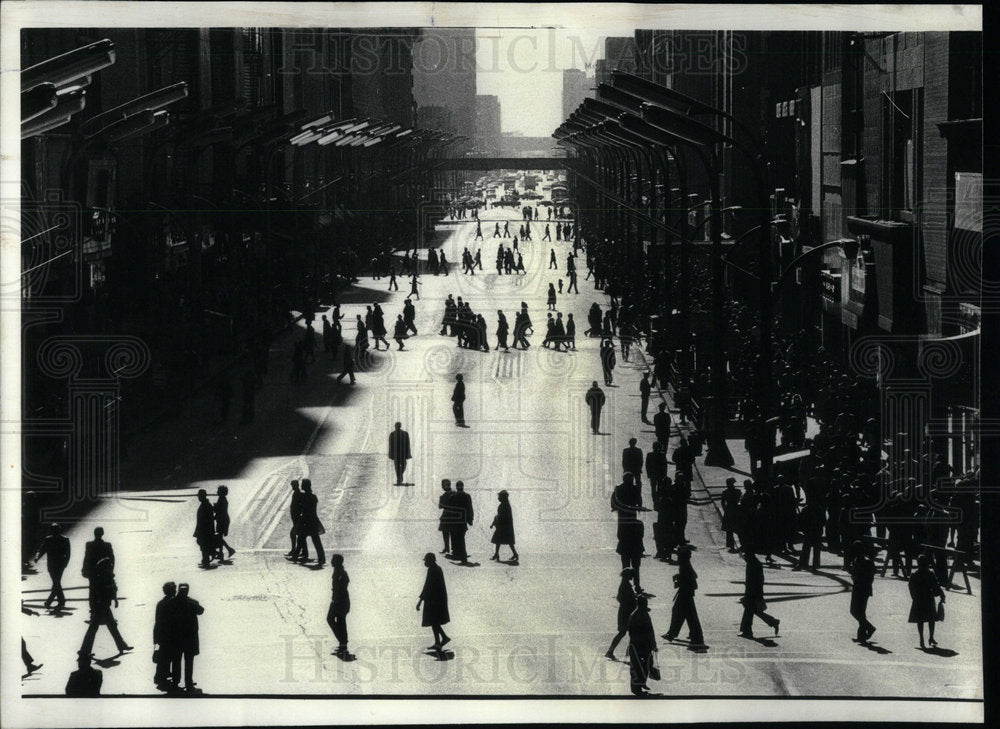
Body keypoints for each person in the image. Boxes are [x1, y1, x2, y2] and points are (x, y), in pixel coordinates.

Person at [80, 557, 132, 656]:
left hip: (103, 606)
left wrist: (115, 598)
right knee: (103, 627)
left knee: (105, 627)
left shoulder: (107, 576)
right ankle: (84, 651)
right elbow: (97, 593)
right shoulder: (99, 577)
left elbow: (113, 588)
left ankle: (85, 651)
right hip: (100, 606)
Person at [663, 547, 705, 647]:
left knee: (682, 613)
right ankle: (693, 636)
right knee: (688, 615)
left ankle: (674, 634)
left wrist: (677, 581)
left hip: (685, 594)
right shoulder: (685, 564)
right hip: (687, 594)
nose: (677, 558)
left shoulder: (684, 565)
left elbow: (690, 578)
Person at [612, 473, 647, 593]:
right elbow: (639, 501)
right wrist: (638, 507)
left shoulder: (619, 489)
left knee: (625, 563)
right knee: (636, 566)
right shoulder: (635, 489)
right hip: (631, 522)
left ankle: (625, 584)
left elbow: (613, 503)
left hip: (623, 523)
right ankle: (637, 585)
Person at [739, 550, 780, 638]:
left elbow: (757, 581)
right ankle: (772, 622)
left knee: (750, 610)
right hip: (752, 590)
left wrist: (757, 594)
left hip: (753, 591)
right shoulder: (754, 563)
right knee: (753, 610)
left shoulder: (753, 564)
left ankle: (746, 631)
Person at [172, 583, 204, 693]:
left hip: (176, 637)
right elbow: (201, 610)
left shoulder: (172, 603)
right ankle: (188, 683)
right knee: (189, 662)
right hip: (189, 637)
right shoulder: (192, 603)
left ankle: (175, 683)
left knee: (176, 661)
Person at [908, 554, 945, 649]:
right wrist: (941, 594)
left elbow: (911, 587)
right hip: (929, 598)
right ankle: (931, 637)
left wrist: (914, 597)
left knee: (920, 620)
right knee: (931, 619)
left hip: (919, 599)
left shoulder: (914, 574)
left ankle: (921, 639)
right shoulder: (930, 574)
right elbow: (936, 585)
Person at [417, 553, 451, 650]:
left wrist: (420, 601)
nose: (425, 563)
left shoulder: (433, 570)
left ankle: (442, 639)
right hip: (437, 599)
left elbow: (427, 586)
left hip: (434, 600)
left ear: (430, 561)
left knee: (434, 621)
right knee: (434, 621)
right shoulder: (436, 569)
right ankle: (440, 641)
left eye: (426, 561)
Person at [626, 595, 658, 696]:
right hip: (642, 646)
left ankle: (639, 685)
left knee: (637, 666)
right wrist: (653, 644)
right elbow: (649, 632)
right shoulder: (644, 615)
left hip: (635, 645)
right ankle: (638, 688)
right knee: (643, 665)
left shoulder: (633, 614)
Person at [34, 522, 70, 609]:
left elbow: (68, 553)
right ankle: (61, 600)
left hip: (60, 565)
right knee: (56, 583)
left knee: (56, 582)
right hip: (51, 565)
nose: (55, 532)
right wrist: (37, 557)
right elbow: (42, 549)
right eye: (53, 530)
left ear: (59, 530)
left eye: (56, 530)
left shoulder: (65, 539)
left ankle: (51, 601)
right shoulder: (48, 539)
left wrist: (65, 563)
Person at [606, 568, 638, 660]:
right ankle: (628, 653)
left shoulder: (625, 584)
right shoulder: (626, 586)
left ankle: (611, 651)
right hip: (627, 613)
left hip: (624, 612)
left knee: (623, 633)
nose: (633, 577)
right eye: (632, 575)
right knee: (628, 633)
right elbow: (625, 599)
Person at [849, 546, 877, 643]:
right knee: (861, 612)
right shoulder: (867, 562)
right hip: (865, 589)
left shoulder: (860, 562)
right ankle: (861, 635)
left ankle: (869, 627)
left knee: (854, 611)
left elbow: (857, 575)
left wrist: (854, 575)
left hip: (859, 589)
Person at [153, 581, 178, 690]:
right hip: (170, 634)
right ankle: (163, 676)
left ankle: (160, 676)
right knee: (168, 656)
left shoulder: (160, 603)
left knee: (163, 657)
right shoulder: (172, 603)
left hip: (161, 633)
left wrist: (155, 637)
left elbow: (157, 621)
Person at [297, 479, 325, 565]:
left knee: (301, 538)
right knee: (315, 540)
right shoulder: (313, 496)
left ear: (305, 486)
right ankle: (321, 558)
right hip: (313, 519)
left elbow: (301, 508)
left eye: (302, 484)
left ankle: (297, 554)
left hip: (306, 519)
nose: (301, 486)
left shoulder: (303, 496)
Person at [328, 554, 351, 657]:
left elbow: (342, 588)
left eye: (333, 560)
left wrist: (336, 599)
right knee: (335, 620)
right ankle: (342, 641)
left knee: (338, 620)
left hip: (340, 601)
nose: (331, 561)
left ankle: (343, 642)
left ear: (337, 562)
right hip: (338, 600)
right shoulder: (338, 571)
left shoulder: (341, 573)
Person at [490, 490, 518, 562]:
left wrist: (496, 522)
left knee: (500, 540)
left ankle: (514, 554)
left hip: (503, 526)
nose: (498, 498)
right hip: (504, 526)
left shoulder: (504, 505)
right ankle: (497, 554)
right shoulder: (505, 504)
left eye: (499, 497)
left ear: (503, 497)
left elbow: (502, 516)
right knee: (503, 541)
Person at [449, 481, 474, 563]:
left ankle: (461, 555)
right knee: (460, 538)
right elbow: (470, 508)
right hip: (463, 521)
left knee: (456, 538)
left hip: (454, 521)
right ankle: (460, 555)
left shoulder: (453, 497)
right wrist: (470, 519)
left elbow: (450, 510)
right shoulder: (467, 496)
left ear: (456, 487)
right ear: (462, 487)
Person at [193, 489, 216, 567]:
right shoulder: (206, 504)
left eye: (199, 496)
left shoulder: (206, 505)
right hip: (204, 529)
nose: (198, 498)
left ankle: (206, 559)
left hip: (204, 530)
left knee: (203, 544)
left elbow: (205, 519)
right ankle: (207, 557)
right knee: (202, 544)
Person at [720, 478, 742, 552]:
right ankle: (733, 545)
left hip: (731, 510)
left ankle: (732, 544)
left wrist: (725, 509)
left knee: (731, 529)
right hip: (734, 510)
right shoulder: (737, 491)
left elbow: (723, 502)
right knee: (733, 529)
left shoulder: (726, 492)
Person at [214, 486, 235, 561]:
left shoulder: (222, 500)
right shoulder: (222, 499)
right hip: (223, 519)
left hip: (222, 520)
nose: (217, 492)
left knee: (219, 537)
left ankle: (228, 550)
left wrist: (215, 507)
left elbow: (219, 510)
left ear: (221, 492)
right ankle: (222, 552)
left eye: (218, 491)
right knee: (220, 537)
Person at [287, 480, 305, 558]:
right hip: (295, 518)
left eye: (293, 485)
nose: (292, 487)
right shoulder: (296, 493)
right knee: (300, 535)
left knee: (294, 534)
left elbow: (298, 506)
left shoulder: (297, 494)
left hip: (297, 518)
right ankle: (303, 551)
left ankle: (294, 550)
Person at [437, 479, 455, 555]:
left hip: (447, 515)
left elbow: (440, 506)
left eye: (443, 485)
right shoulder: (454, 493)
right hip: (454, 516)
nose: (442, 487)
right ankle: (451, 548)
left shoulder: (444, 496)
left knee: (446, 533)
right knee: (452, 533)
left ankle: (447, 548)